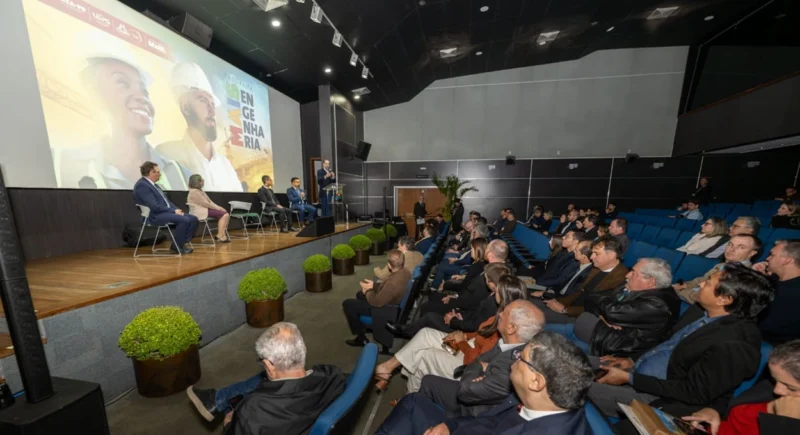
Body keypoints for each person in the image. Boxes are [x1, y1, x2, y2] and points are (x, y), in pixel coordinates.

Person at [588, 264, 774, 418]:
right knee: (574, 362)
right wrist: (631, 360)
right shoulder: (700, 312)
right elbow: (667, 344)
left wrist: (629, 378)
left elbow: (694, 392)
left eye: (708, 283)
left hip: (655, 395)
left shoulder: (735, 343)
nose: (701, 284)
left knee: (573, 387)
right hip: (636, 369)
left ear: (724, 299)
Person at [375, 301, 553, 434]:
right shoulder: (507, 344)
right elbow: (480, 360)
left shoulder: (516, 361)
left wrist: (478, 367)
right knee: (427, 381)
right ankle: (416, 418)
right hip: (476, 394)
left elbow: (467, 390)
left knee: (413, 398)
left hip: (474, 412)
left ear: (512, 328)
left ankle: (416, 416)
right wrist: (479, 368)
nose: (499, 314)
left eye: (504, 314)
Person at [380, 332, 594, 435]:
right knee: (413, 402)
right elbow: (489, 422)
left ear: (536, 381)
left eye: (520, 359)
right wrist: (450, 426)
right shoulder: (533, 403)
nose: (513, 362)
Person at [55, 44, 188, 190]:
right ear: (95, 94)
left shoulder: (180, 174)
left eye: (144, 91)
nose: (141, 97)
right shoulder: (63, 165)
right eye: (123, 84)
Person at [374, 275, 529, 393]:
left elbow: (476, 360)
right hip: (468, 345)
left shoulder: (505, 328)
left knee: (424, 354)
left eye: (497, 290)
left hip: (467, 360)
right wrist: (462, 335)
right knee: (426, 333)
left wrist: (461, 342)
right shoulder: (501, 314)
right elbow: (480, 331)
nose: (493, 292)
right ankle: (388, 368)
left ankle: (410, 395)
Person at [187, 322, 347, 434]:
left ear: (268, 365)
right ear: (303, 348)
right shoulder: (332, 375)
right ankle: (217, 399)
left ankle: (217, 400)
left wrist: (228, 424)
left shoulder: (254, 409)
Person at [683, 340, 800, 435]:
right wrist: (714, 410)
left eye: (792, 388)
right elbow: (731, 402)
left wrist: (786, 424)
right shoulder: (775, 384)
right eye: (774, 380)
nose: (776, 390)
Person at [157, 62, 242, 192]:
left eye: (212, 104)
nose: (212, 111)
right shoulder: (167, 154)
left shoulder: (225, 165)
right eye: (203, 100)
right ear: (185, 106)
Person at [576, 258, 682, 359]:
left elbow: (610, 312)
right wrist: (601, 314)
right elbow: (592, 296)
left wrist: (605, 313)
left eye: (633, 272)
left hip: (606, 348)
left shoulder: (657, 305)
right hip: (596, 334)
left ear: (650, 281)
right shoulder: (631, 287)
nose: (627, 275)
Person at [387, 263, 510, 338]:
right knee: (429, 310)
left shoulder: (493, 302)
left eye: (486, 278)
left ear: (491, 282)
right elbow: (476, 316)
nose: (484, 280)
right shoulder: (494, 296)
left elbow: (477, 327)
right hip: (464, 320)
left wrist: (454, 321)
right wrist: (460, 316)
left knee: (430, 316)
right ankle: (412, 331)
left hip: (464, 331)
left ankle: (406, 331)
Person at [538, 236, 628, 324]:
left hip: (582, 319)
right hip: (569, 309)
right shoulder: (596, 268)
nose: (591, 257)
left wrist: (565, 310)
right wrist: (557, 301)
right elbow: (579, 293)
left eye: (596, 253)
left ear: (611, 255)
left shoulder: (622, 279)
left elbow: (598, 310)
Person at [343, 250, 412, 349]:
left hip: (385, 309)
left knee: (347, 304)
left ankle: (361, 338)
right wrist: (373, 285)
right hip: (391, 301)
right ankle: (362, 325)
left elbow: (377, 302)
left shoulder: (393, 283)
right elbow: (386, 287)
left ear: (389, 265)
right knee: (359, 294)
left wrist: (367, 291)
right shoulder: (405, 271)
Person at [674, 234, 761, 304]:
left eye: (741, 247)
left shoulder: (743, 276)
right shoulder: (722, 265)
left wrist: (679, 292)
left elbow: (707, 299)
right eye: (730, 244)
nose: (732, 249)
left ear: (751, 253)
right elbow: (703, 279)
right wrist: (686, 285)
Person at [133, 161, 198, 254]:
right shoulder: (142, 186)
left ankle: (180, 243)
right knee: (184, 220)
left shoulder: (154, 185)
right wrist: (173, 211)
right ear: (151, 172)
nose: (160, 174)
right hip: (154, 216)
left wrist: (176, 209)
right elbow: (154, 207)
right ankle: (177, 246)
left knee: (193, 219)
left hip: (164, 212)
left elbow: (167, 202)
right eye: (158, 172)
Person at [753, 240, 800, 344]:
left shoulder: (795, 293)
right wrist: (755, 276)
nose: (767, 258)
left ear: (787, 260)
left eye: (772, 255)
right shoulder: (771, 279)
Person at [186, 174, 231, 243]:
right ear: (198, 182)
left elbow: (210, 202)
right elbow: (206, 204)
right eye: (201, 180)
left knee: (226, 214)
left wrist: (219, 208)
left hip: (205, 209)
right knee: (224, 215)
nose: (203, 181)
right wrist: (219, 208)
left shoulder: (199, 191)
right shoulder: (194, 192)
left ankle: (222, 235)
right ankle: (220, 235)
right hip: (199, 211)